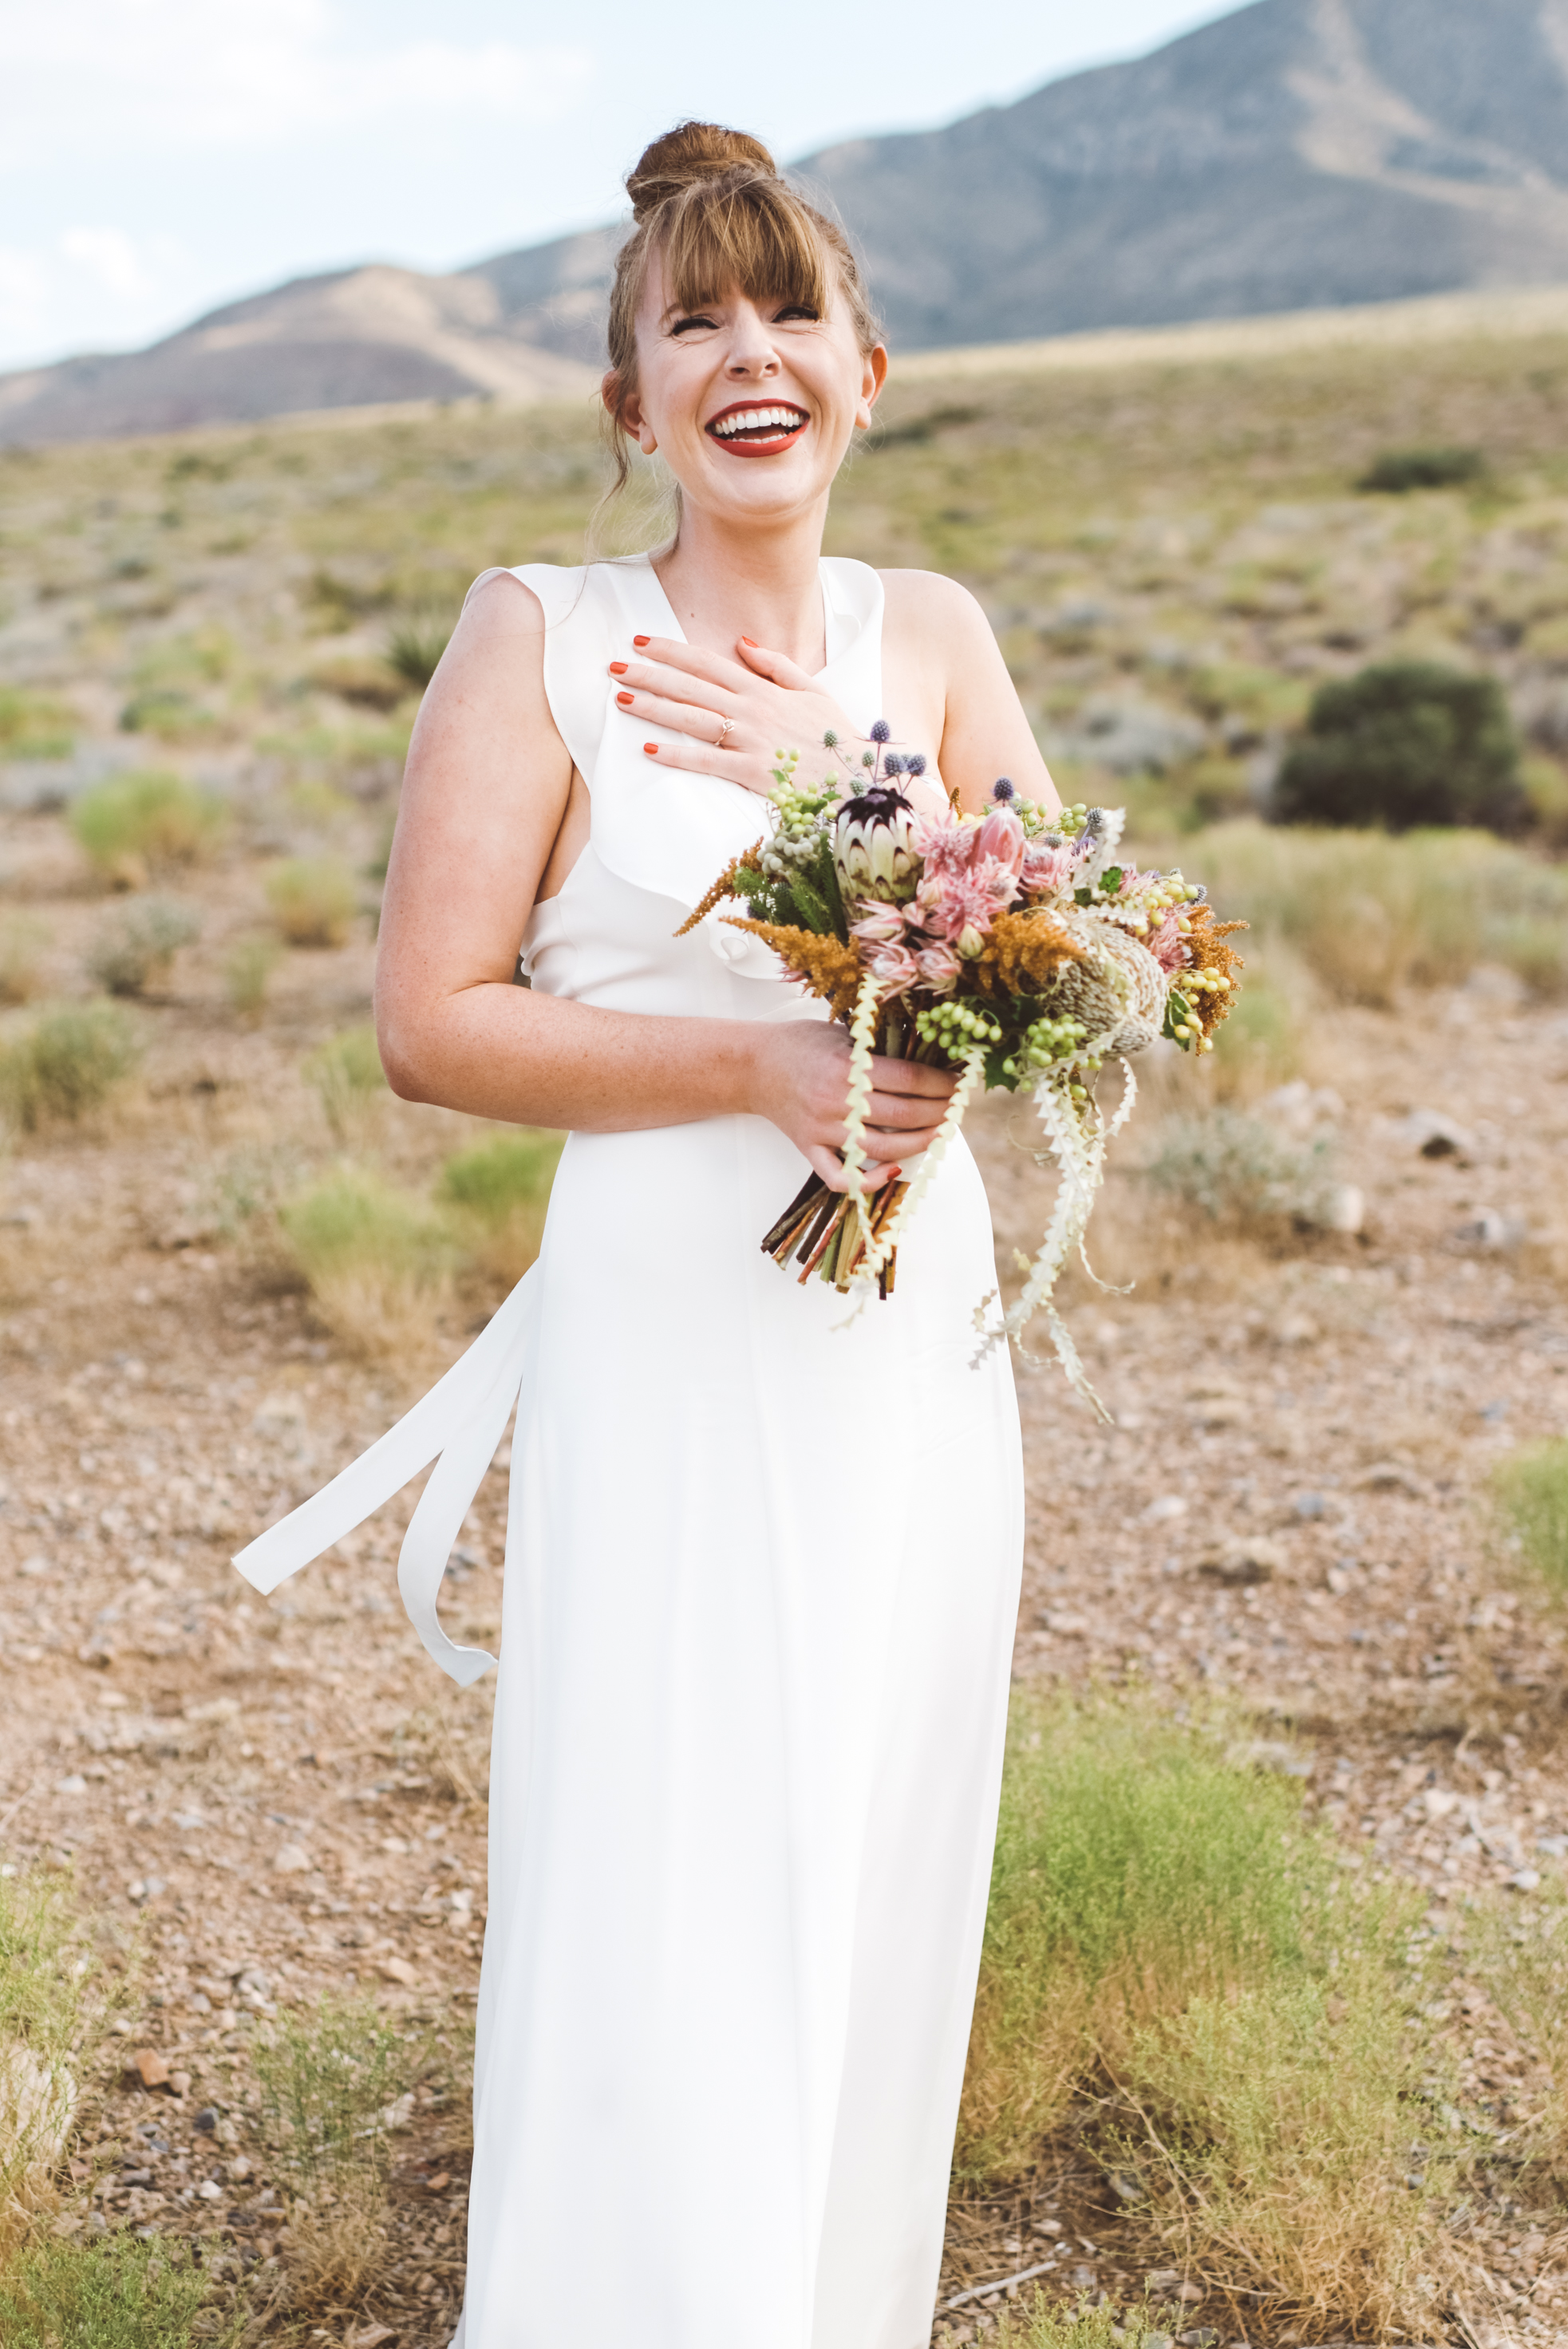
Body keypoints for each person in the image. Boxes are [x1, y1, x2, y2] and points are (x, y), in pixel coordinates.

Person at [235, 120, 1059, 2349]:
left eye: (786, 306)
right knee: (675, 1851)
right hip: (675, 1314)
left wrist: (843, 767)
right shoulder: (544, 635)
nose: (745, 349)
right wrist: (756, 1070)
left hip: (906, 1328)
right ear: (630, 406)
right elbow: (431, 1018)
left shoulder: (936, 638)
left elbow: (1066, 977)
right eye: (690, 319)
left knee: (869, 1838)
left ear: (868, 370)